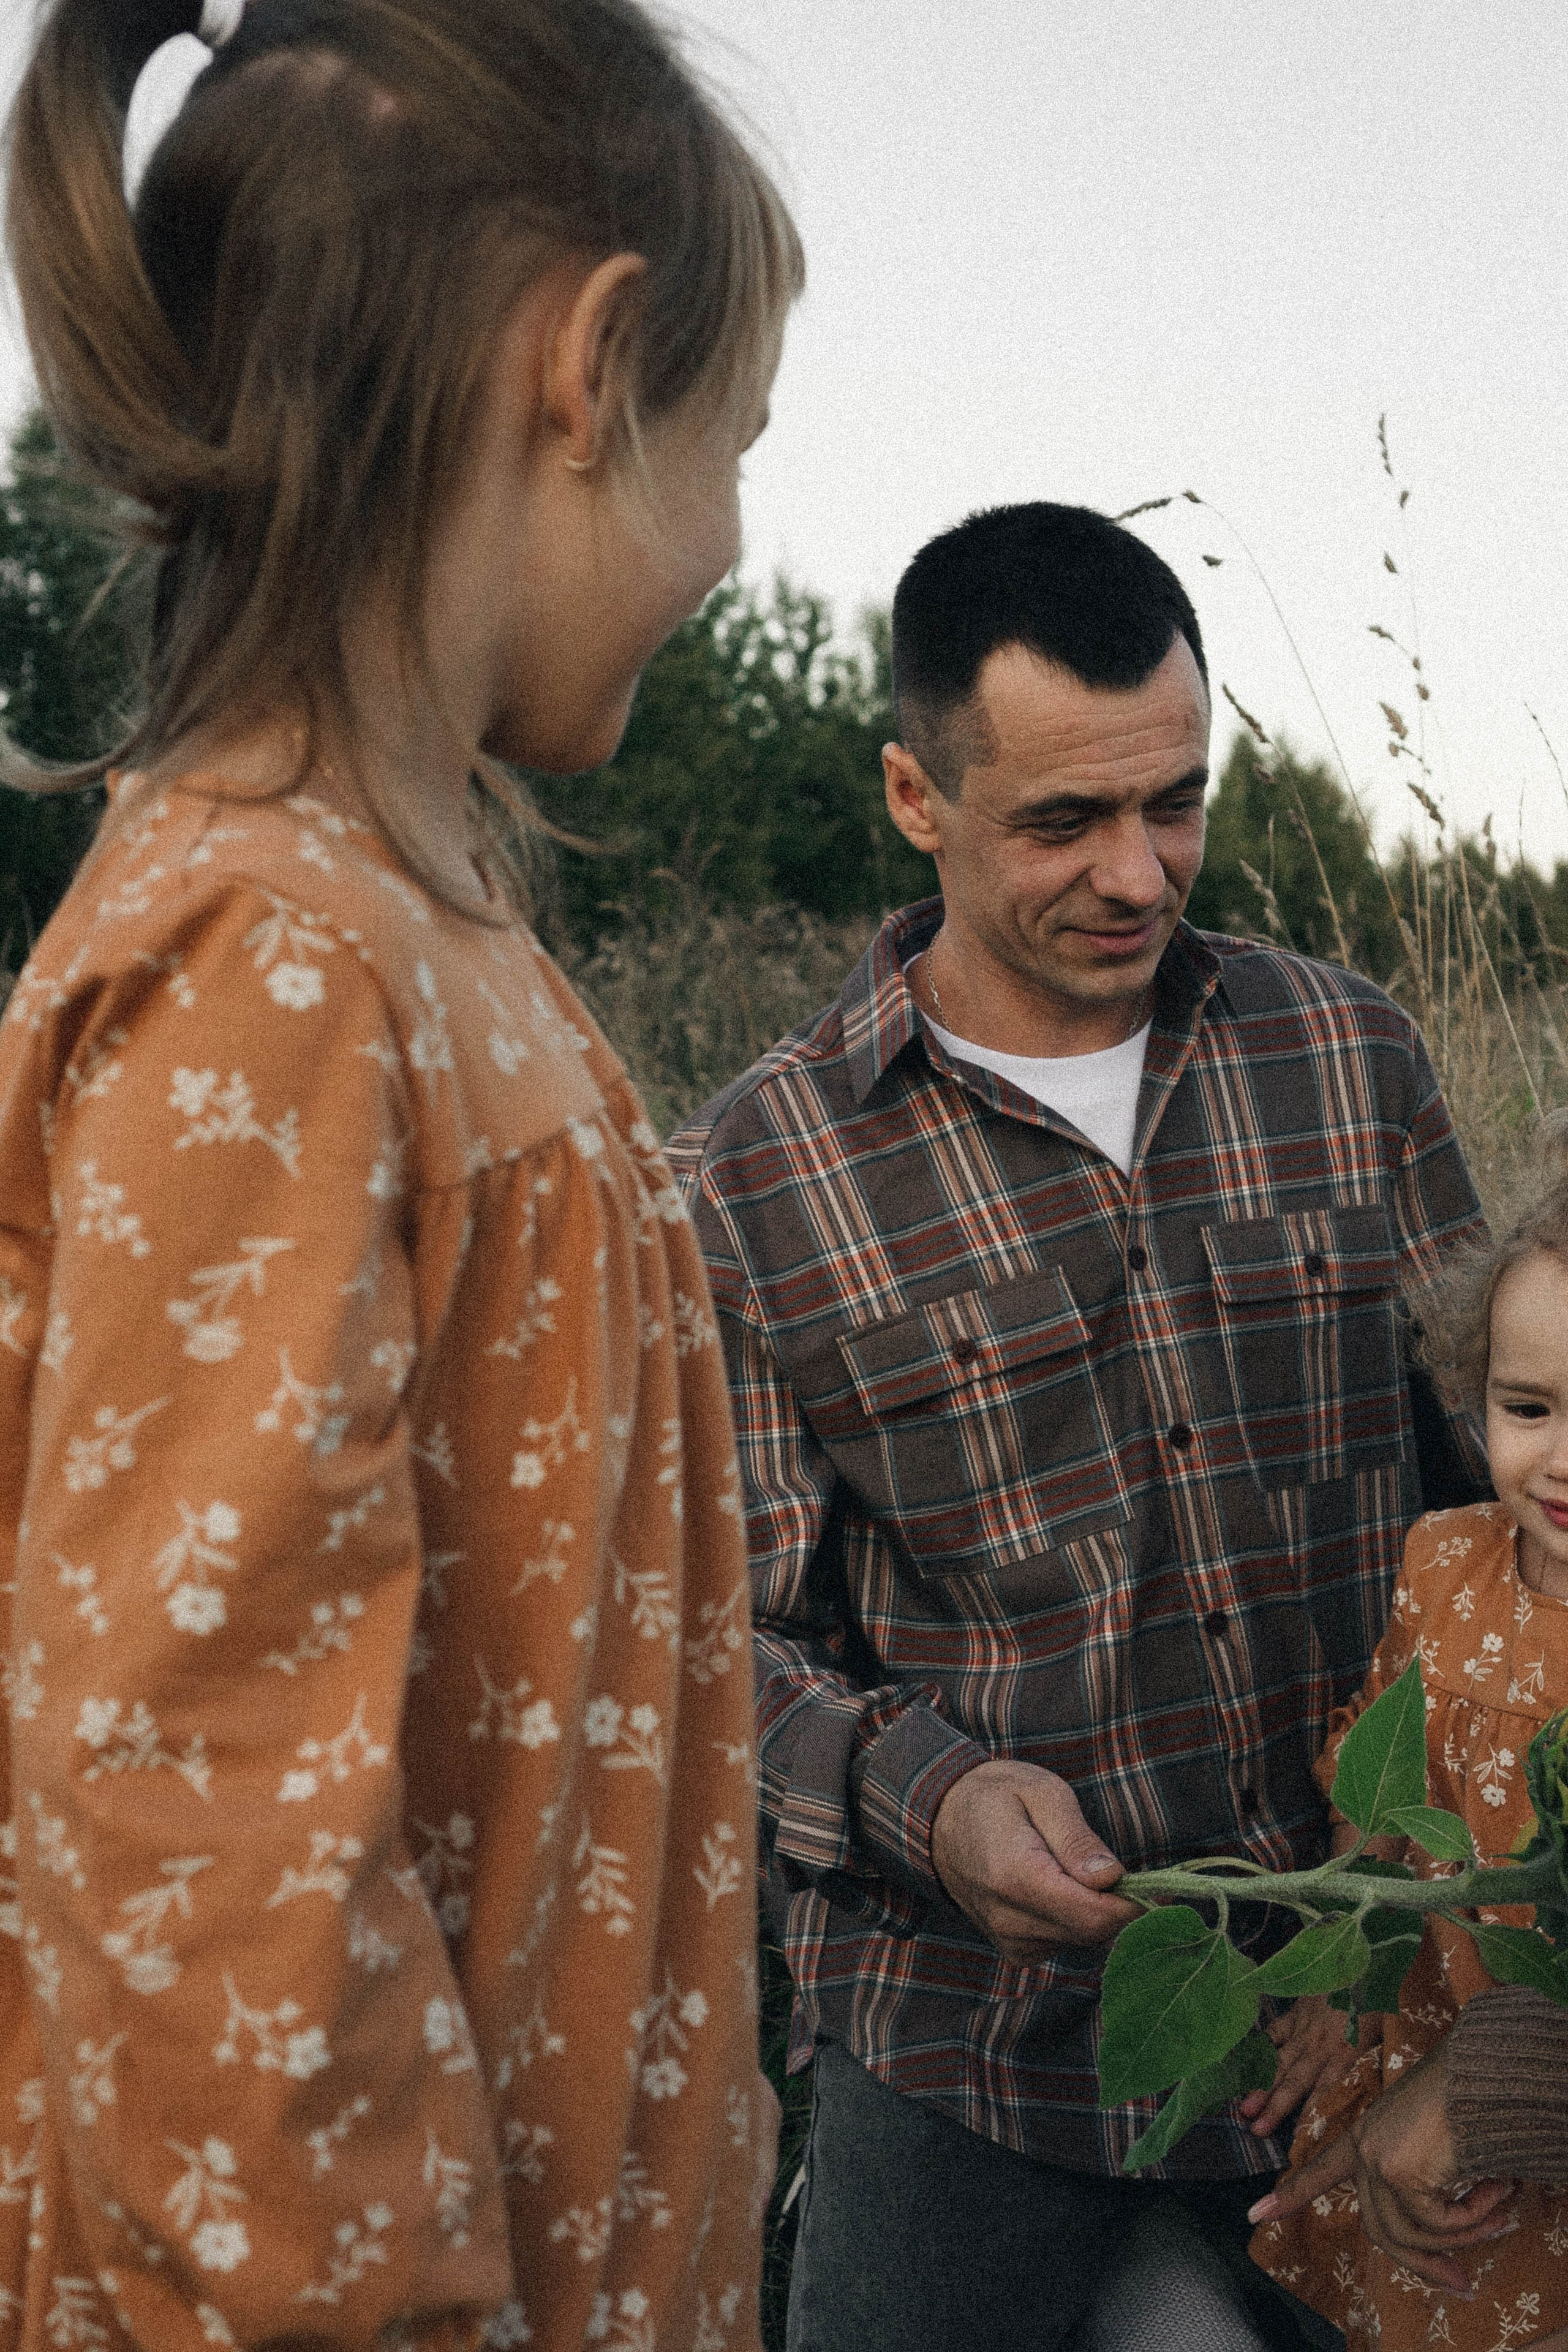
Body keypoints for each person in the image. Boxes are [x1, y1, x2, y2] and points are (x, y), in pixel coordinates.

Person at [0, 2, 800, 2345]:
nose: (737, 540)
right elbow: (201, 1833)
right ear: (595, 362)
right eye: (737, 443)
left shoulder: (423, 937)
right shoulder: (271, 961)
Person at [666, 501, 1489, 2352]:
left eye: (1174, 802)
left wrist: (1430, 1938)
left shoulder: (1347, 1057)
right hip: (971, 2061)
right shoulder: (753, 1176)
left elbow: (1501, 1511)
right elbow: (712, 1641)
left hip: (1360, 2012)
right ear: (914, 796)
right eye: (1063, 822)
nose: (1137, 873)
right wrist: (934, 1800)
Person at [1248, 1175, 1568, 2349]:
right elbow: (1378, 1786)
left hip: (1539, 2078)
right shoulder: (1443, 1561)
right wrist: (1343, 1972)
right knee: (1433, 2288)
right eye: (1528, 1407)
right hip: (1431, 2030)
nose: (1560, 1461)